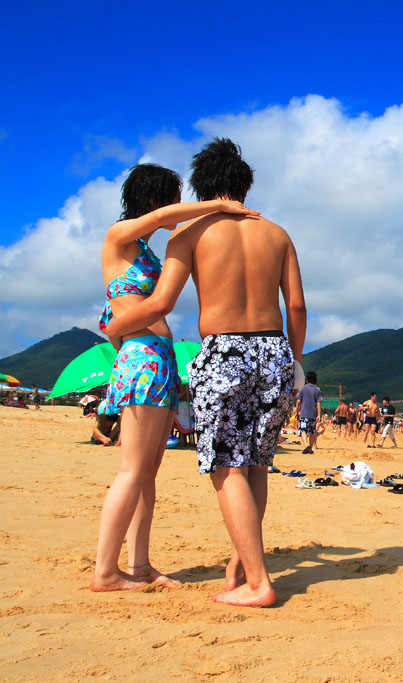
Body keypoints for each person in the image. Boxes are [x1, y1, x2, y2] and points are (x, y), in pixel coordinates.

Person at [104, 138, 306, 607]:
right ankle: (241, 564)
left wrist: (115, 327)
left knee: (224, 465)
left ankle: (258, 583)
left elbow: (161, 303)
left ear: (201, 187)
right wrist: (294, 360)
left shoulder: (189, 234)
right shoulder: (278, 233)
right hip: (276, 352)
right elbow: (295, 304)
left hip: (225, 351)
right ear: (245, 184)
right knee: (256, 463)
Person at [91, 163, 259, 594]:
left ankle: (139, 563)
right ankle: (106, 571)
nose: (175, 209)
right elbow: (163, 220)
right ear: (156, 198)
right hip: (143, 358)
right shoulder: (119, 236)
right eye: (172, 199)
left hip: (158, 359)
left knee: (147, 472)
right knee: (132, 471)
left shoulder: (144, 250)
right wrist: (221, 204)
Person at [295, 371, 322, 454]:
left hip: (304, 413)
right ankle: (310, 447)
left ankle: (306, 445)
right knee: (312, 431)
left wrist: (297, 411)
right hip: (313, 414)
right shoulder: (317, 389)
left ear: (307, 380)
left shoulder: (302, 388)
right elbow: (318, 403)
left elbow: (298, 401)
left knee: (303, 430)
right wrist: (319, 414)